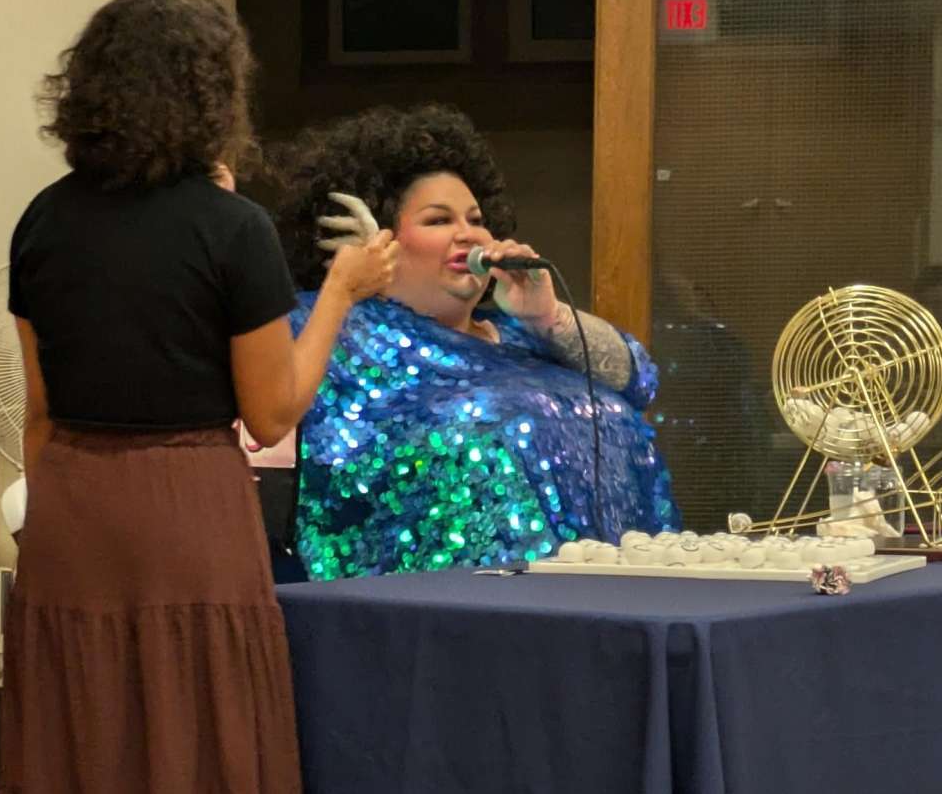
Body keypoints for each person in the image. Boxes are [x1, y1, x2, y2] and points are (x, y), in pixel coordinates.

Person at [1, 0, 396, 794]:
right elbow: (272, 408)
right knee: (199, 715)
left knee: (83, 722)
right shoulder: (231, 228)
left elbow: (37, 412)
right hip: (187, 505)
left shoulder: (42, 220)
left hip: (71, 501)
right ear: (212, 95)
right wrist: (341, 293)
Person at [272, 104, 680, 580]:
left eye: (476, 218)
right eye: (439, 220)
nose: (468, 234)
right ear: (376, 241)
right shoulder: (338, 325)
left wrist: (548, 317)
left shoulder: (518, 334)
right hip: (453, 611)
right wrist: (353, 286)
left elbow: (637, 380)